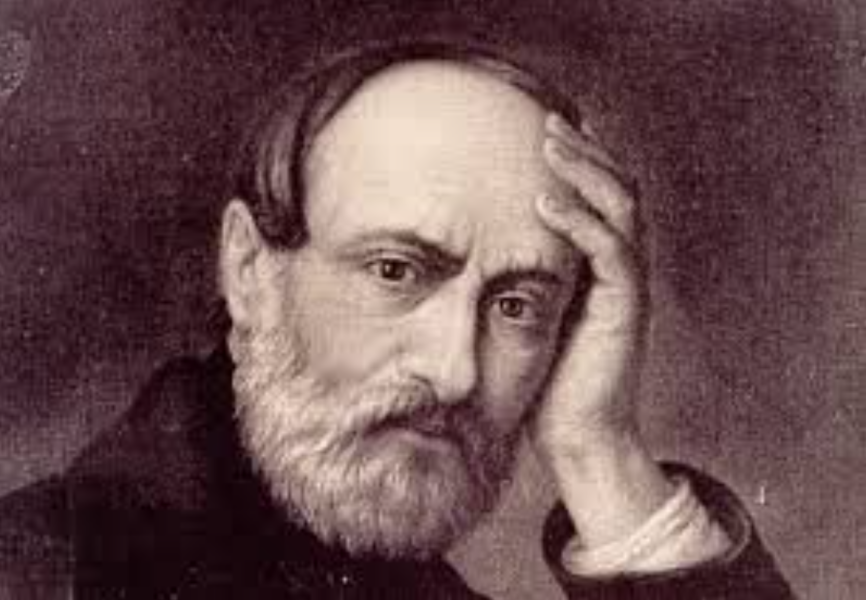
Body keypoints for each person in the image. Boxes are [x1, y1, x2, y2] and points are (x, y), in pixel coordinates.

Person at [0, 41, 794, 599]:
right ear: (249, 271)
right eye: (395, 271)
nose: (456, 372)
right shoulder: (43, 572)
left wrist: (599, 450)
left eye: (516, 307)